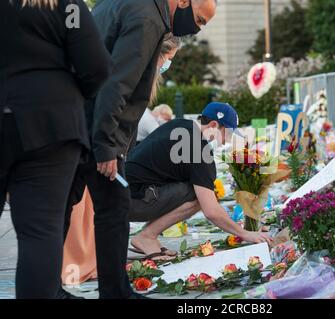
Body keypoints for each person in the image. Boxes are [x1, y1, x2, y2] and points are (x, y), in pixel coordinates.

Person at [63, 0, 217, 299]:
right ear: (183, 2)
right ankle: (115, 291)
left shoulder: (124, 5)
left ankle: (56, 289)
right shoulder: (148, 18)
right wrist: (107, 145)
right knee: (113, 210)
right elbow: (117, 83)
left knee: (63, 209)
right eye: (199, 20)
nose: (196, 29)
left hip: (76, 120)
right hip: (96, 130)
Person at [0, 0, 110, 298]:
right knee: (40, 233)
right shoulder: (65, 6)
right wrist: (66, 97)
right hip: (51, 122)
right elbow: (96, 66)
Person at [61, 34, 179, 291]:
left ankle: (95, 271)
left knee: (97, 214)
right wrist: (110, 150)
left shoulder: (143, 74)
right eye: (168, 60)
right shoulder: (135, 69)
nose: (167, 65)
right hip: (104, 150)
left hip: (109, 149)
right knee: (91, 213)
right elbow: (114, 106)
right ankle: (83, 271)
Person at [126, 102, 273, 261]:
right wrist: (245, 233)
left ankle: (148, 237)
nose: (226, 142)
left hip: (119, 194)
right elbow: (211, 211)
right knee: (199, 197)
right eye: (228, 134)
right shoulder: (199, 150)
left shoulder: (180, 124)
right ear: (214, 125)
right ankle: (147, 237)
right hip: (131, 202)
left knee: (195, 189)